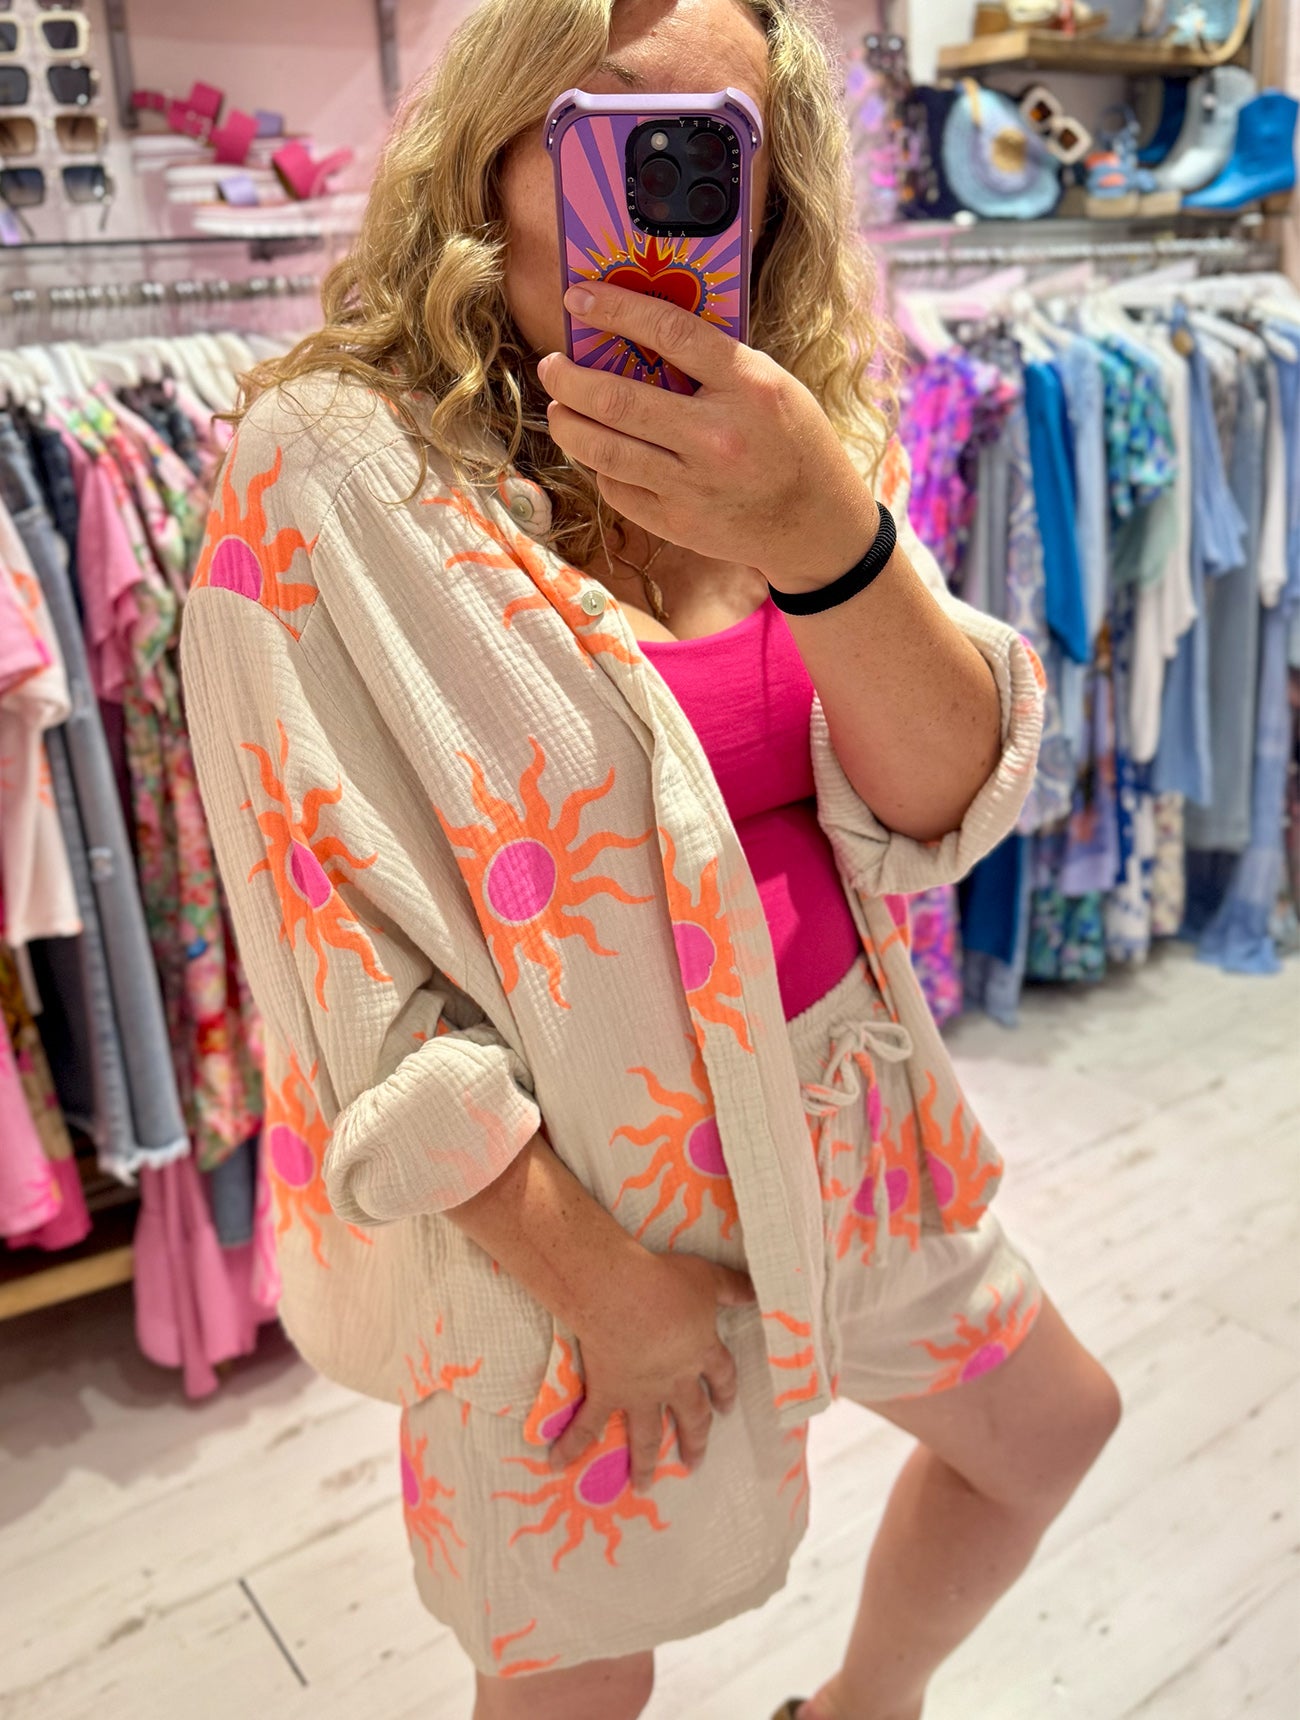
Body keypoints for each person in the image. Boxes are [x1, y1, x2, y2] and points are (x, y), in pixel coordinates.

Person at [181, 3, 1122, 1717]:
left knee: (1053, 1429)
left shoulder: (791, 426)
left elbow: (945, 804)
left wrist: (826, 536)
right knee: (579, 1676)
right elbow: (338, 973)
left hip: (848, 1115)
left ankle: (861, 1711)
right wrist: (602, 1287)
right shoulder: (327, 470)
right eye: (613, 128)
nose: (664, 188)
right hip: (583, 1206)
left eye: (717, 150)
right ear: (496, 144)